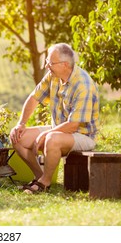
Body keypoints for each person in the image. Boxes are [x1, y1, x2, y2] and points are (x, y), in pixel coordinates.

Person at [9, 43, 99, 194]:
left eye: (50, 63)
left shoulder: (83, 85)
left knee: (52, 138)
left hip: (82, 135)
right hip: (58, 129)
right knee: (18, 137)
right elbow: (33, 98)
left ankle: (44, 182)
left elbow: (72, 126)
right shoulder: (53, 76)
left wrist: (45, 134)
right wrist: (21, 124)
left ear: (65, 65)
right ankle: (40, 177)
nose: (46, 66)